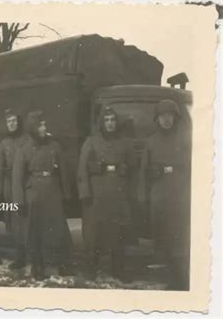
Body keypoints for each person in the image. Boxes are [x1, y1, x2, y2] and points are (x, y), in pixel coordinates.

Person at [12, 111, 73, 280]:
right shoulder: (23, 150)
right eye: (40, 125)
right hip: (34, 195)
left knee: (58, 229)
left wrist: (67, 195)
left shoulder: (54, 146)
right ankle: (37, 266)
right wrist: (19, 201)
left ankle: (61, 263)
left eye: (45, 125)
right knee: (35, 231)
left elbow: (64, 172)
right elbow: (17, 178)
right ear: (33, 128)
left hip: (53, 192)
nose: (44, 128)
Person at [138, 99, 191, 290]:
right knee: (164, 237)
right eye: (162, 116)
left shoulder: (186, 138)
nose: (166, 120)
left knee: (182, 237)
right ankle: (172, 276)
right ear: (157, 119)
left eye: (170, 116)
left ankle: (182, 278)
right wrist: (143, 197)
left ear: (175, 117)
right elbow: (144, 171)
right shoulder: (151, 141)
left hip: (181, 193)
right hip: (159, 196)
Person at [77, 106, 133, 281]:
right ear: (102, 123)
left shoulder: (125, 143)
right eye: (107, 120)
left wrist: (128, 187)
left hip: (118, 194)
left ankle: (118, 268)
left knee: (118, 232)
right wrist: (85, 193)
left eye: (113, 120)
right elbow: (82, 169)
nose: (110, 124)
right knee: (93, 234)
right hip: (96, 194)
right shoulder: (91, 142)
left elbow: (132, 168)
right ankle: (90, 268)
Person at [0, 109, 29, 270]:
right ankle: (19, 257)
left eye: (14, 120)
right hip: (10, 187)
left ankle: (32, 254)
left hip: (25, 185)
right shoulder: (4, 144)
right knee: (14, 223)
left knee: (27, 221)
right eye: (9, 121)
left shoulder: (27, 140)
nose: (12, 124)